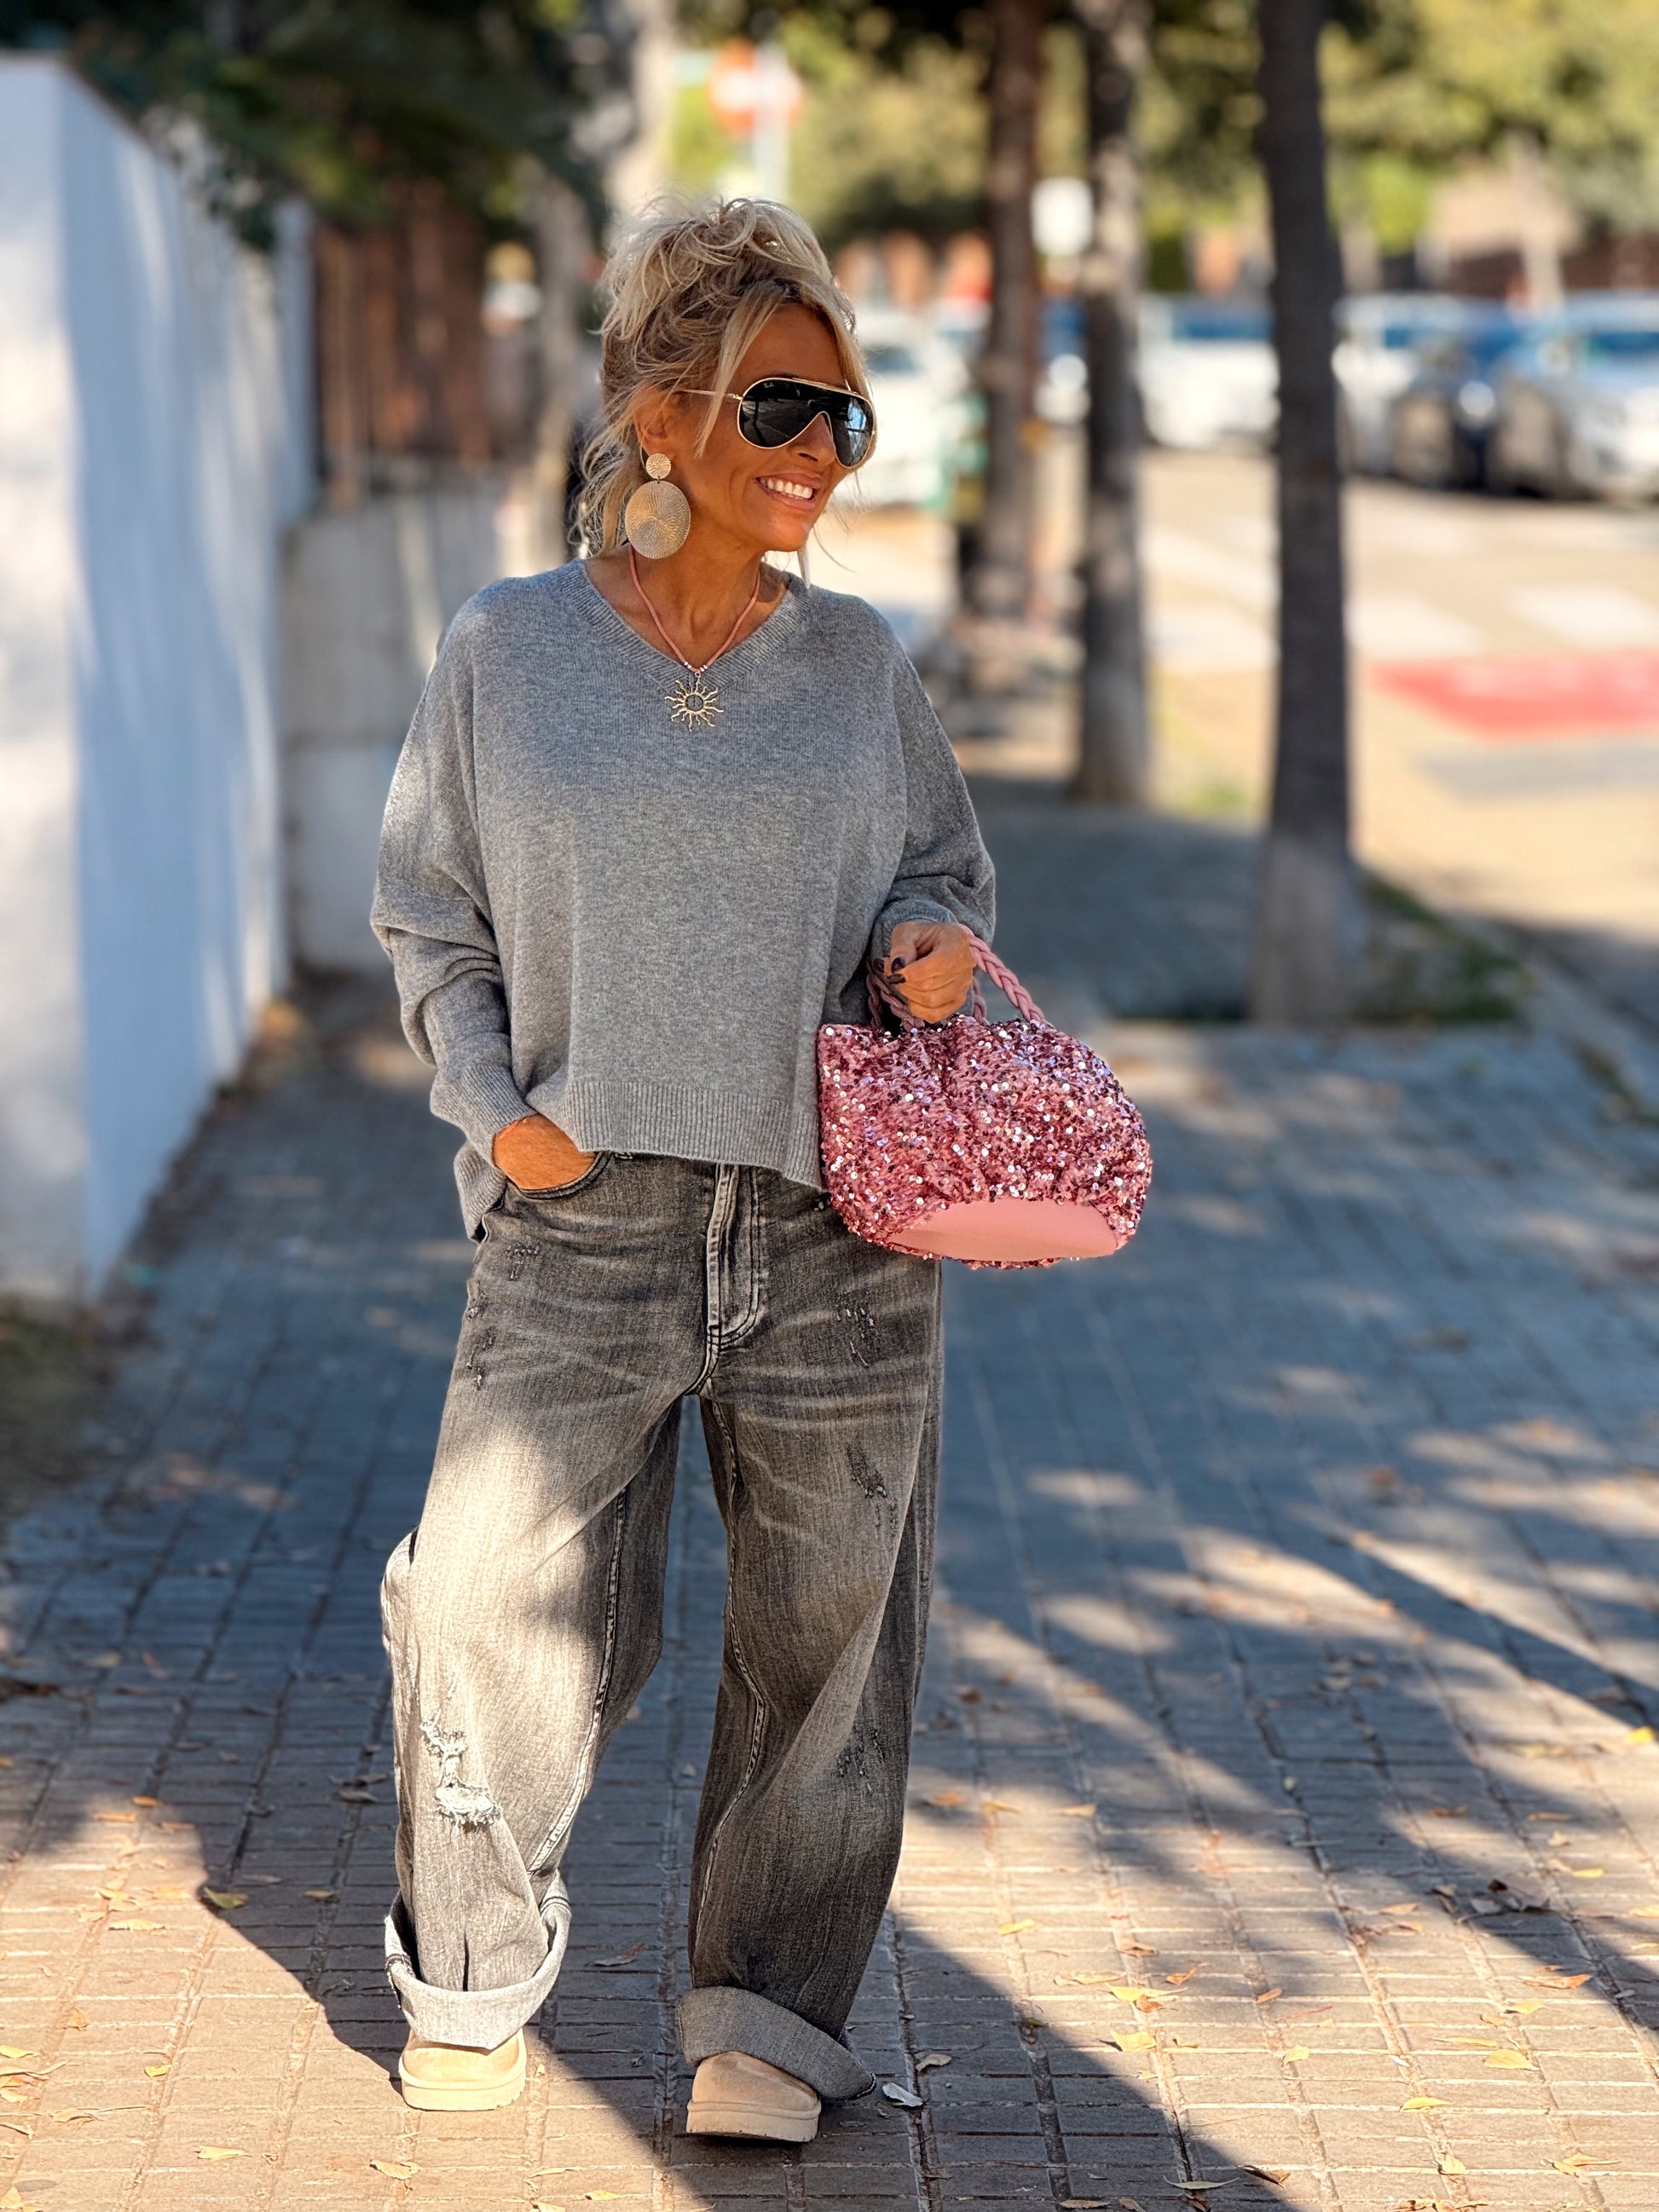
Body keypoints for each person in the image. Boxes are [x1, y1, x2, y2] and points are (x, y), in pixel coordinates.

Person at [370, 199, 994, 2143]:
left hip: (835, 1223)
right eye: (776, 408)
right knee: (478, 1599)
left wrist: (925, 942)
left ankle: (765, 2026)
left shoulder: (859, 664)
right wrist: (500, 1112)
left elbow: (941, 873)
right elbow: (432, 914)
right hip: (584, 1212)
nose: (817, 455)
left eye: (844, 419)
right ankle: (472, 1973)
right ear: (659, 417)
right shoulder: (511, 648)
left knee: (829, 1638)